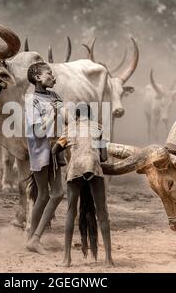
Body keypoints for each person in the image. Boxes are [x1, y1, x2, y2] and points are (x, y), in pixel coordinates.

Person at [52, 103, 114, 267]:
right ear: (90, 115)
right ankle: (108, 259)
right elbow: (104, 157)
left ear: (76, 116)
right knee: (102, 213)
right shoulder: (98, 129)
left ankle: (67, 259)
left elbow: (54, 150)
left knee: (71, 212)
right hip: (93, 166)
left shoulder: (69, 129)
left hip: (75, 168)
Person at [25, 62, 65, 254]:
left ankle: (33, 238)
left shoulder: (55, 96)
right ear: (37, 77)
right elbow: (38, 131)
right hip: (40, 150)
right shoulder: (31, 100)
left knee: (53, 194)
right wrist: (55, 113)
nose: (52, 76)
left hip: (56, 149)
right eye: (48, 73)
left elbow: (66, 118)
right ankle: (34, 238)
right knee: (46, 194)